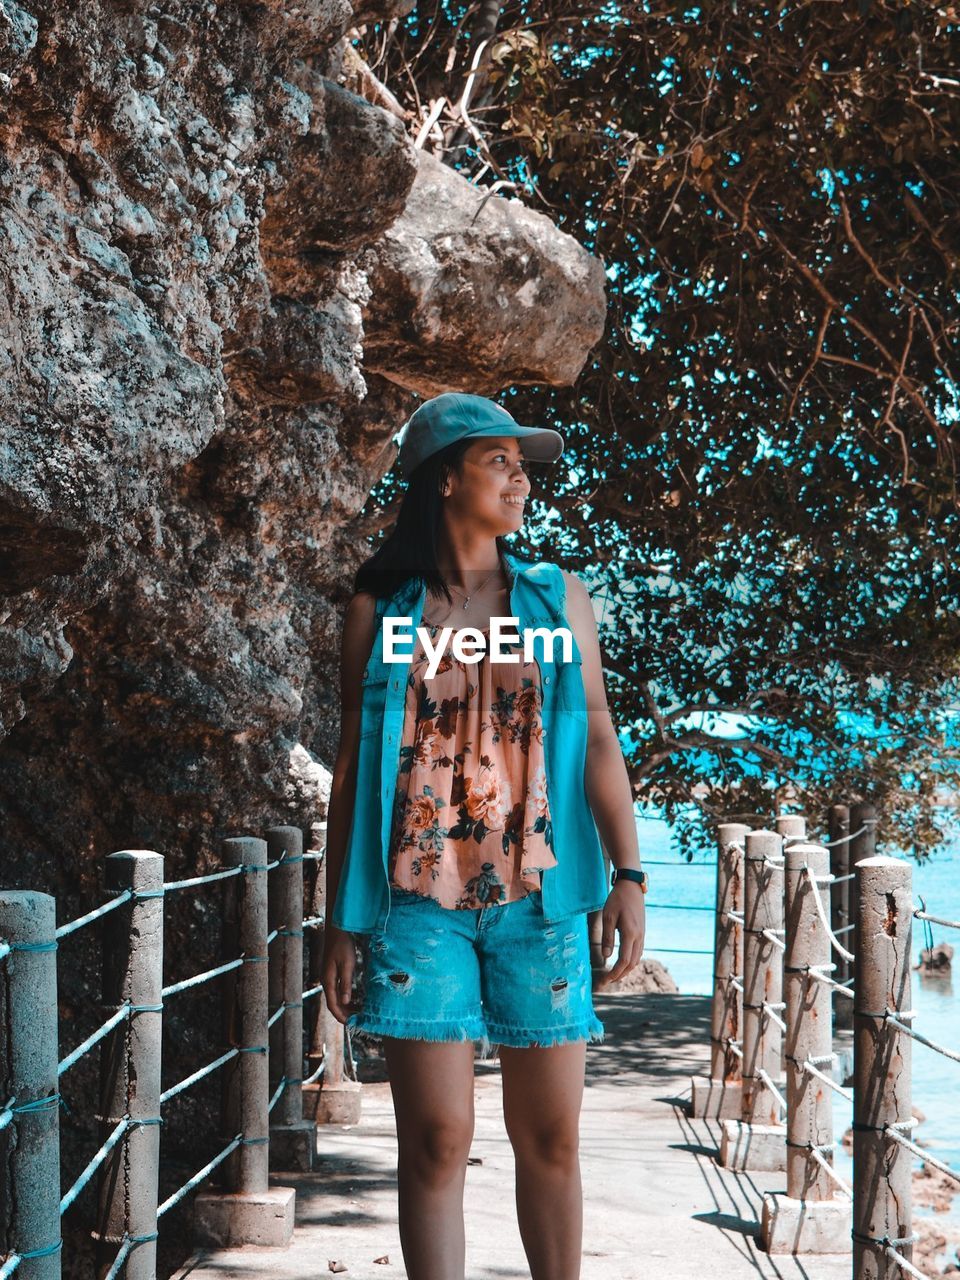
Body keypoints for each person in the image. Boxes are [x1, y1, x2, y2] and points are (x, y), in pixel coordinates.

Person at [321, 391, 646, 1280]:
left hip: (539, 903)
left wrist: (629, 873)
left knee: (549, 1139)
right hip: (415, 906)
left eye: (522, 464)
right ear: (446, 478)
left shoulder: (555, 598)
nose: (520, 479)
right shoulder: (383, 610)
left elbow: (602, 741)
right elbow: (353, 768)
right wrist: (338, 919)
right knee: (434, 1140)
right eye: (499, 460)